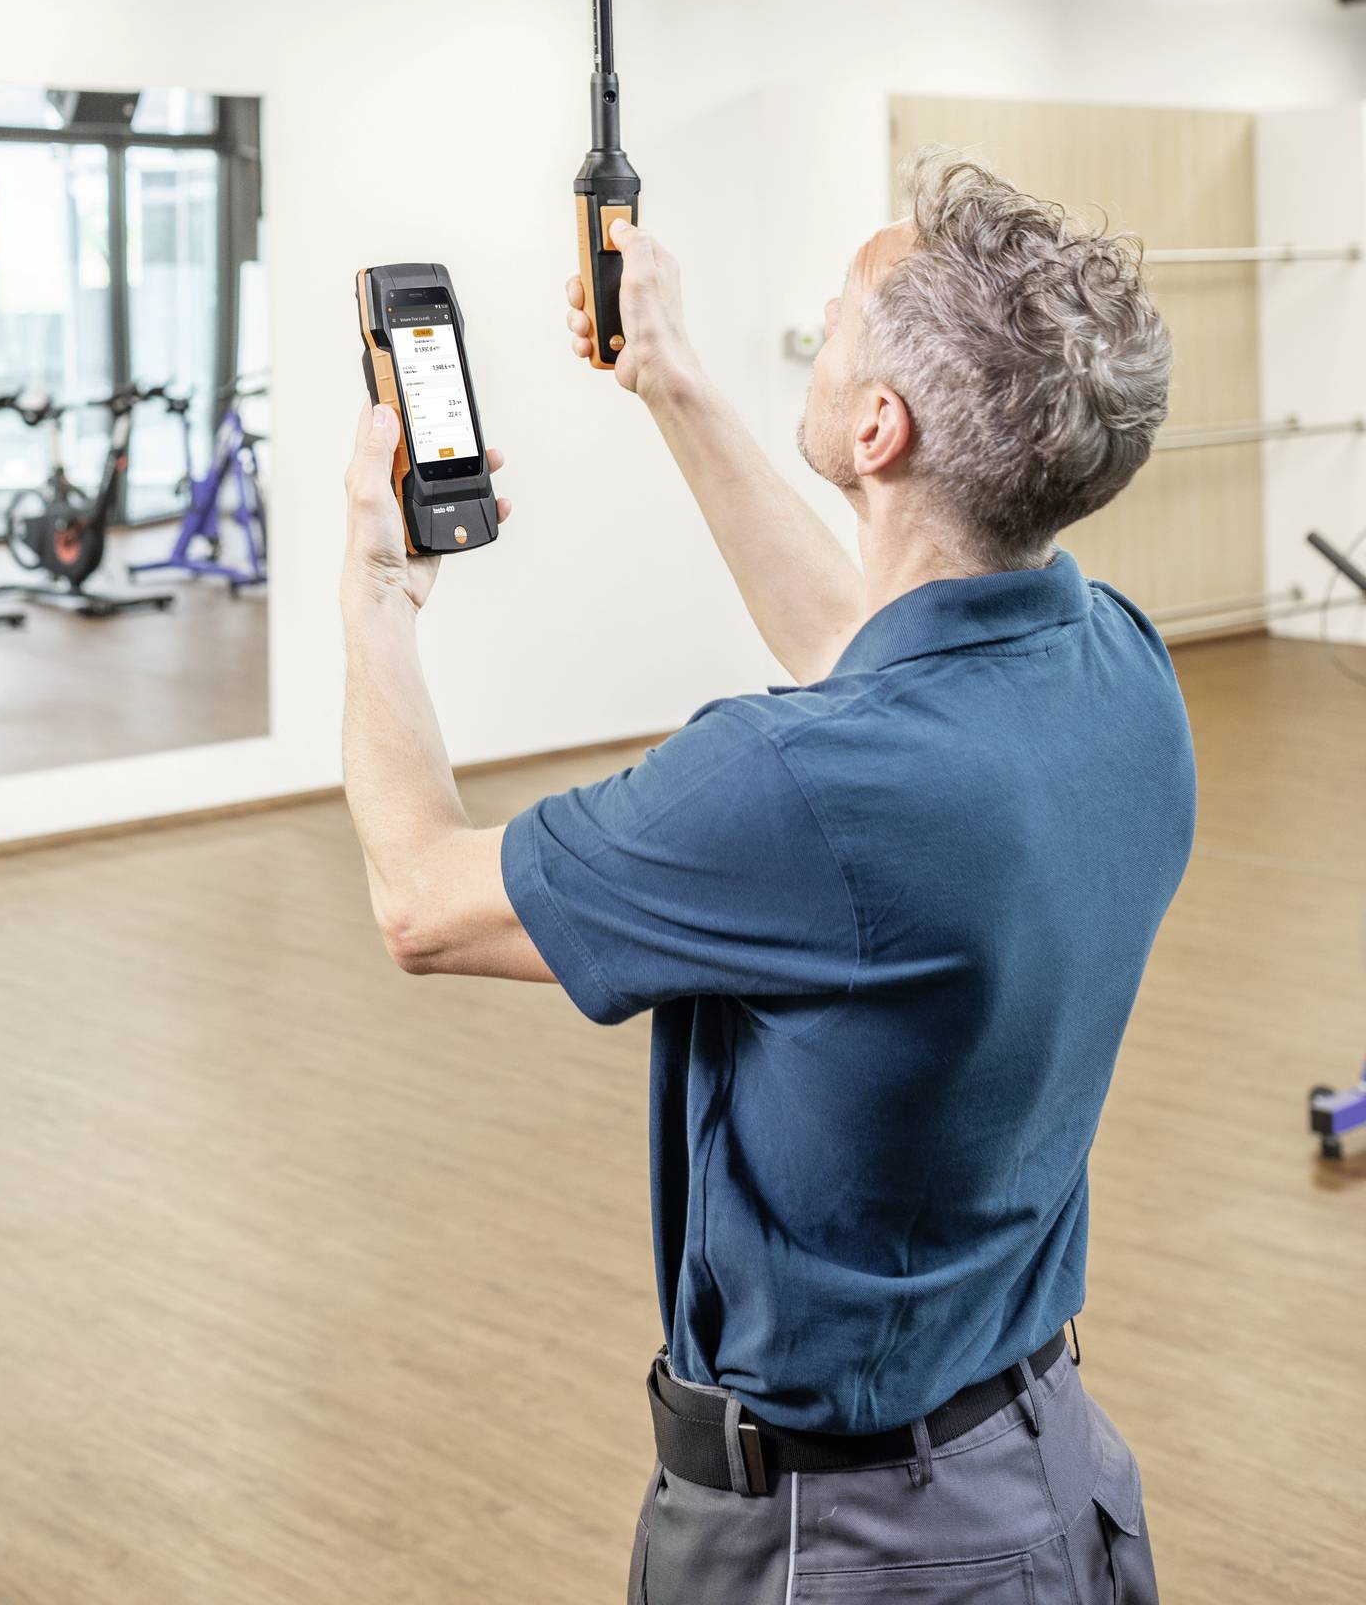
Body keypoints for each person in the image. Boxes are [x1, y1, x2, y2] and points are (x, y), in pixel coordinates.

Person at [337, 152, 1192, 1603]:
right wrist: (668, 376)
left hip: (849, 1549)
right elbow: (856, 645)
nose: (815, 326)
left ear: (879, 424)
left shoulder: (796, 788)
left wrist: (374, 593)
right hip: (1052, 1472)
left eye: (834, 319)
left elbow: (420, 897)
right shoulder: (1116, 664)